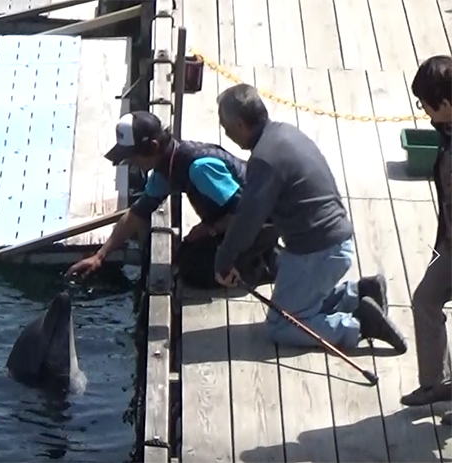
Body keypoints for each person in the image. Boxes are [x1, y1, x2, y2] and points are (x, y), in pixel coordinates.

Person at [212, 83, 408, 354]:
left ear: (241, 124)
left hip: (316, 253)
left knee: (280, 325)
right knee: (303, 301)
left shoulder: (265, 159)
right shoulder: (285, 134)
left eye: (227, 126)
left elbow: (248, 218)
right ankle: (362, 292)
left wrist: (224, 259)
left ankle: (360, 324)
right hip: (336, 241)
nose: (226, 133)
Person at [64, 110, 279, 284]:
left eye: (132, 157)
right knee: (185, 258)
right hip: (235, 221)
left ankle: (265, 267)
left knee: (194, 271)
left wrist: (207, 230)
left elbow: (246, 211)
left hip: (261, 222)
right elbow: (137, 213)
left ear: (154, 147)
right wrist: (100, 256)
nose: (131, 164)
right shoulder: (166, 169)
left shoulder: (199, 168)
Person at [400, 55, 452, 408]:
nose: (423, 111)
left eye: (426, 105)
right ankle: (437, 383)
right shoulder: (446, 130)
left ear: (446, 104)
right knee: (426, 301)